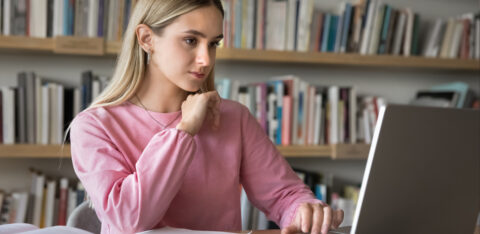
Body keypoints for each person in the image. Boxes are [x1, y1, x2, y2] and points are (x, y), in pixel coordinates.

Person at [69, 0, 344, 234]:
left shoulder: (233, 118)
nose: (205, 59)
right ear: (147, 39)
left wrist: (306, 212)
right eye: (191, 40)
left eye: (213, 44)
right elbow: (128, 220)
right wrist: (184, 131)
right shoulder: (94, 126)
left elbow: (285, 196)